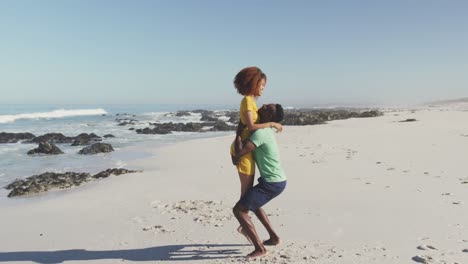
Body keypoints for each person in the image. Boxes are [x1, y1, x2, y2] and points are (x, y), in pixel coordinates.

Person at [232, 103, 287, 258]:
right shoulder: (266, 129)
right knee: (254, 205)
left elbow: (239, 153)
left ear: (268, 116)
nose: (262, 106)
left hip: (272, 183)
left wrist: (238, 133)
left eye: (266, 108)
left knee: (239, 210)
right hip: (276, 181)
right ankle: (274, 238)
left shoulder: (261, 133)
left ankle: (260, 248)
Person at [231, 66, 283, 200]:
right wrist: (272, 124)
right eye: (262, 85)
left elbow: (242, 125)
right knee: (245, 195)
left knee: (247, 196)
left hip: (247, 148)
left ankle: (243, 217)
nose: (263, 88)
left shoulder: (252, 102)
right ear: (254, 83)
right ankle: (242, 217)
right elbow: (251, 126)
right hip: (244, 149)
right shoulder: (248, 101)